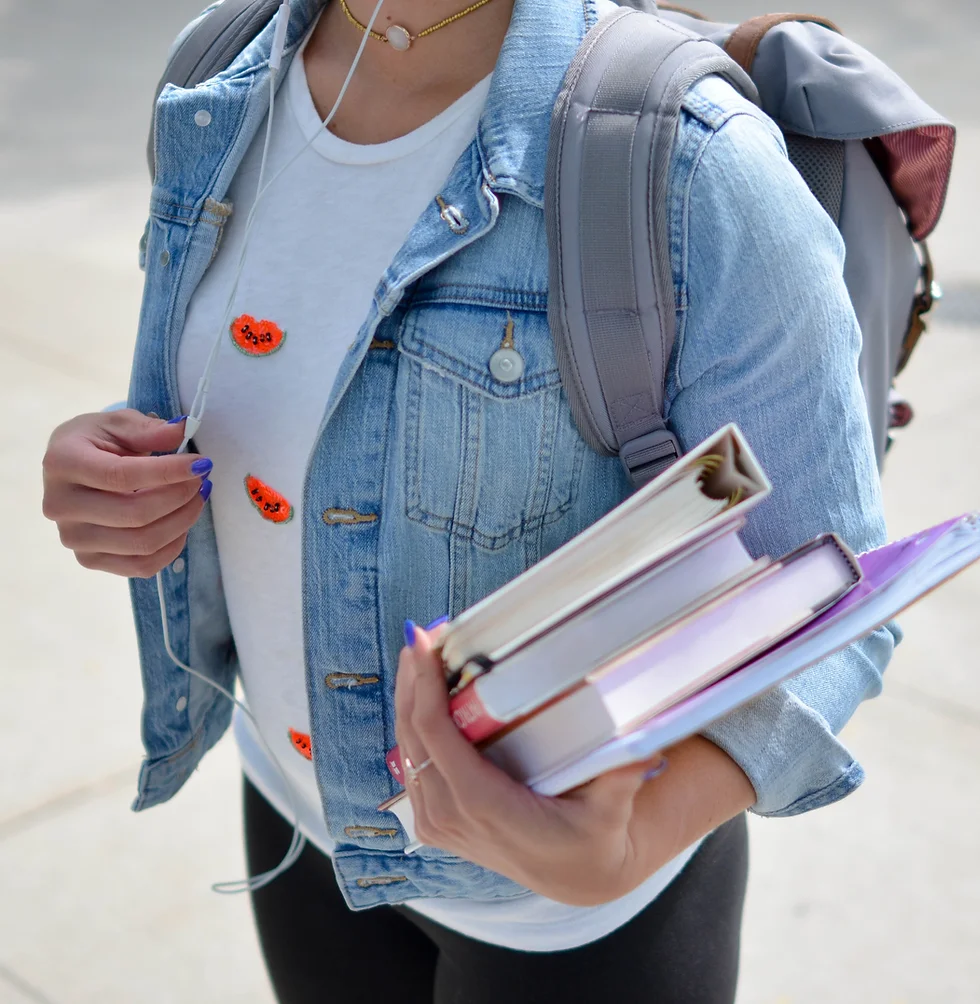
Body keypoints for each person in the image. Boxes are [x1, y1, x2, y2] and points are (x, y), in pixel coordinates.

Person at [39, 0, 897, 1000]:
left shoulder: (691, 162)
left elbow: (831, 591)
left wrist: (628, 843)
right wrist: (113, 463)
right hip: (296, 811)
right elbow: (263, 380)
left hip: (573, 917)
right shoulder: (219, 72)